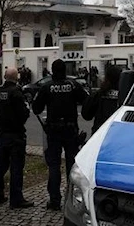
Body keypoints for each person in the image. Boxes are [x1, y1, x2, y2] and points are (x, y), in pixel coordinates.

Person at [32, 59, 89, 210]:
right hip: (70, 130)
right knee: (72, 166)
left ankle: (55, 200)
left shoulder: (47, 87)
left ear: (52, 70)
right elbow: (86, 101)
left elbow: (36, 108)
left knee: (54, 166)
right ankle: (72, 199)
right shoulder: (72, 85)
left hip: (54, 131)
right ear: (65, 71)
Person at [0, 67, 34, 209]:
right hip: (16, 135)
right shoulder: (16, 93)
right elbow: (24, 114)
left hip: (2, 135)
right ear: (16, 78)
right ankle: (16, 199)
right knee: (16, 168)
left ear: (4, 77)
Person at [82, 65, 122, 135]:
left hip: (100, 133)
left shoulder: (99, 94)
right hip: (118, 133)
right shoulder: (125, 95)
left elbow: (86, 114)